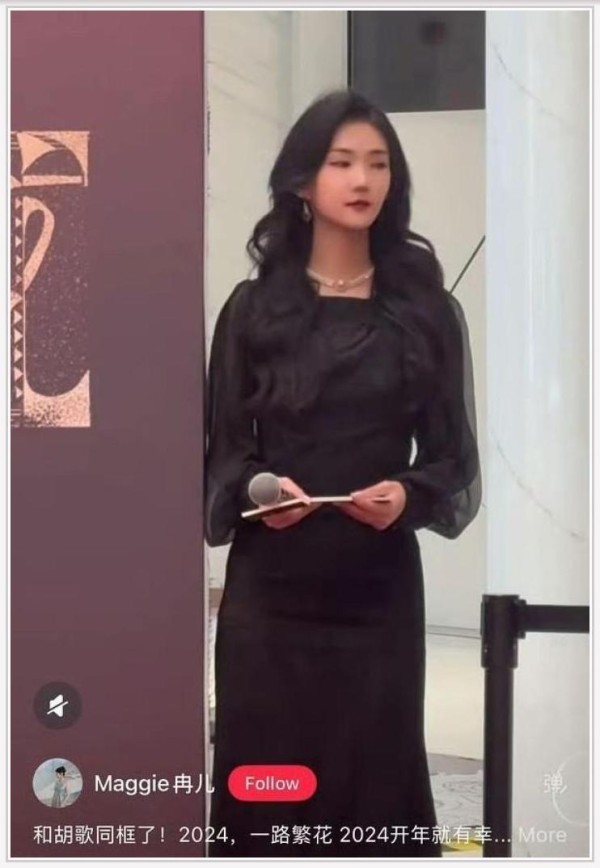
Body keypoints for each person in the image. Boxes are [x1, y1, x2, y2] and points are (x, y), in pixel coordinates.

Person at [205, 89, 481, 858]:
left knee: (375, 788)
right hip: (270, 601)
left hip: (377, 597)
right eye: (341, 162)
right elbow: (223, 455)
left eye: (378, 164)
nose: (362, 179)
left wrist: (407, 495)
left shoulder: (425, 313)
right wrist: (262, 492)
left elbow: (453, 460)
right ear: (302, 181)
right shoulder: (251, 311)